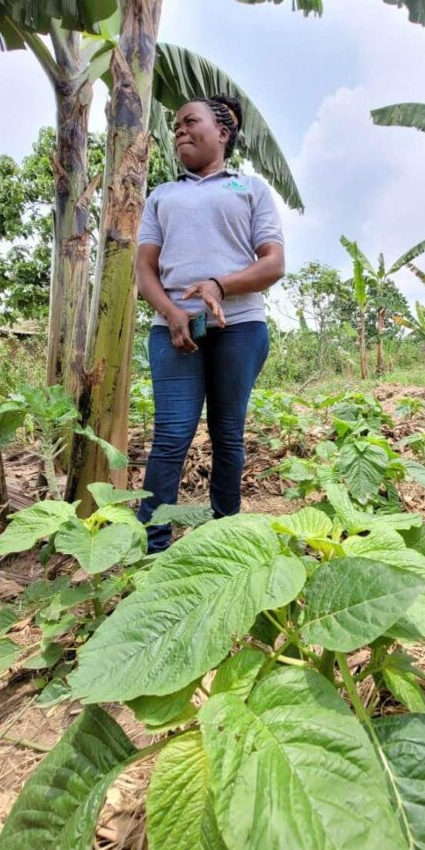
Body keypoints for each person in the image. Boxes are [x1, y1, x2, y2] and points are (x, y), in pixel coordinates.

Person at [135, 94, 285, 551]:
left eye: (189, 121)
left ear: (222, 132)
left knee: (227, 433)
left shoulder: (250, 189)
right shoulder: (161, 195)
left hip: (239, 327)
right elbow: (145, 269)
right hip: (173, 330)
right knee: (172, 435)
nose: (179, 130)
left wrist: (220, 284)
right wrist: (172, 311)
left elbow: (274, 263)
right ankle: (153, 545)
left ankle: (223, 537)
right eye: (175, 125)